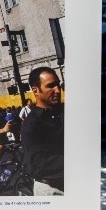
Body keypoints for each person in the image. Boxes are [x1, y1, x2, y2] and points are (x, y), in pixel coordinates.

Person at [21, 67, 64, 196]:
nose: (57, 90)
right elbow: (38, 164)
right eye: (50, 86)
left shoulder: (62, 113)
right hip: (52, 189)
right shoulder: (32, 124)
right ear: (36, 91)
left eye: (58, 84)